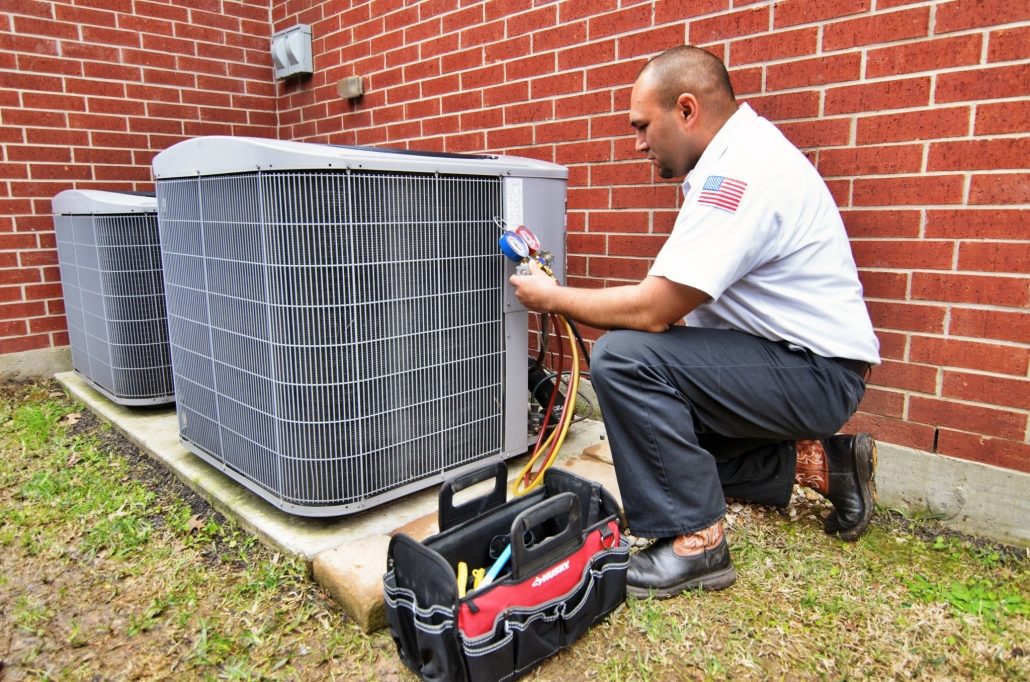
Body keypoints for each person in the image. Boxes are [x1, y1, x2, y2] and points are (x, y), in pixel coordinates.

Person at [509, 45, 880, 599]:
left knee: (622, 358)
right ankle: (823, 464)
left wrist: (553, 297)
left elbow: (652, 310)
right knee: (660, 448)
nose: (637, 143)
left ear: (686, 110)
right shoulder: (735, 158)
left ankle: (696, 541)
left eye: (642, 126)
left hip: (815, 373)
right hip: (795, 365)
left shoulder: (740, 174)